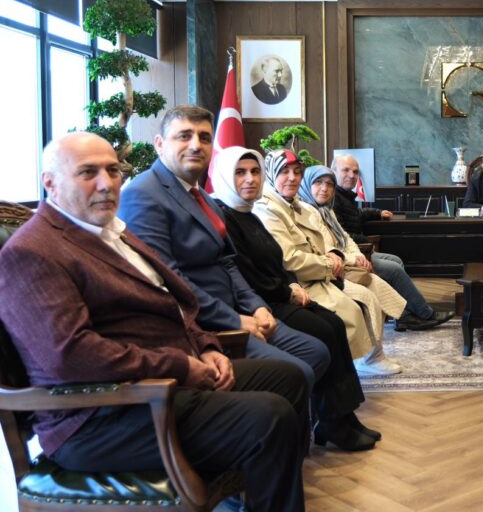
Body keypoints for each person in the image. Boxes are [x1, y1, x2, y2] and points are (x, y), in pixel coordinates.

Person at [0, 133, 307, 511]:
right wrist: (181, 366)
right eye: (88, 173)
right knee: (270, 418)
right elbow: (71, 354)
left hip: (164, 385)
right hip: (101, 417)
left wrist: (207, 347)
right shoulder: (33, 251)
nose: (106, 183)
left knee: (288, 378)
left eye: (113, 170)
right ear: (50, 183)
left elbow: (172, 302)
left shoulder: (113, 231)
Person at [117, 105, 330, 402]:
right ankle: (268, 423)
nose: (196, 145)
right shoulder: (142, 194)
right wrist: (233, 320)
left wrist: (256, 307)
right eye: (184, 136)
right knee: (297, 372)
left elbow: (227, 262)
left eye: (204, 137)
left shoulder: (202, 196)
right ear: (160, 144)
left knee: (317, 352)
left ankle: (283, 421)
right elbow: (169, 279)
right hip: (203, 325)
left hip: (240, 311)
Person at [211, 146, 380, 451]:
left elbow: (275, 261)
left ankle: (342, 415)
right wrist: (287, 289)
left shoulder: (248, 213)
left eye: (255, 172)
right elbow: (248, 274)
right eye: (240, 172)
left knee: (333, 324)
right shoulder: (226, 215)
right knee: (325, 329)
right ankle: (332, 420)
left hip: (281, 292)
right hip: (262, 304)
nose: (249, 179)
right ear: (224, 176)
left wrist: (289, 284)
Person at [254, 150, 406, 377]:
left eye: (297, 172)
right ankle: (363, 357)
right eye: (284, 172)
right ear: (270, 174)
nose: (292, 178)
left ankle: (374, 354)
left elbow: (341, 238)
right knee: (363, 299)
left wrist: (342, 255)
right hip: (306, 279)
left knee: (377, 285)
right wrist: (333, 262)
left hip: (325, 269)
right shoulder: (268, 208)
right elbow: (292, 258)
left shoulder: (303, 206)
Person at [328, 155, 454, 331]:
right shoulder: (333, 197)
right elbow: (342, 236)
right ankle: (424, 313)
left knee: (396, 260)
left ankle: (403, 316)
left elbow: (356, 215)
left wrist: (377, 213)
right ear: (333, 171)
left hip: (360, 250)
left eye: (355, 172)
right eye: (346, 170)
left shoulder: (344, 196)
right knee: (394, 270)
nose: (352, 175)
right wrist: (365, 243)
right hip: (351, 256)